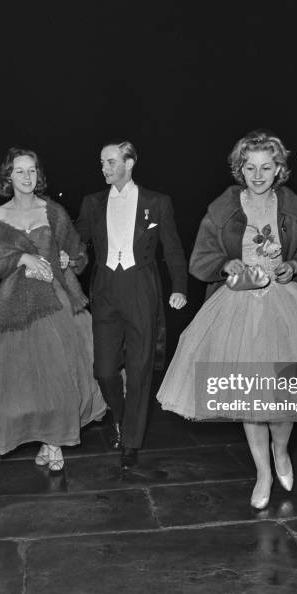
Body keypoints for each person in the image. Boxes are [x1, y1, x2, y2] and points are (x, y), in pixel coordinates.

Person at [156, 130, 297, 509]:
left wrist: (295, 265)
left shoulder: (296, 208)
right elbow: (199, 259)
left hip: (285, 307)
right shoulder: (222, 209)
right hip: (236, 308)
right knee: (249, 395)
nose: (258, 175)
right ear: (240, 168)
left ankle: (282, 452)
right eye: (250, 167)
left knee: (284, 399)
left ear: (279, 169)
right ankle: (263, 472)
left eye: (266, 167)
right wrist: (226, 263)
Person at [0, 147, 106, 474]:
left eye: (32, 171)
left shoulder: (54, 212)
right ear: (8, 177)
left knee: (60, 377)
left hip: (56, 300)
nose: (27, 177)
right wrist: (22, 258)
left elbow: (78, 254)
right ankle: (44, 438)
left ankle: (53, 442)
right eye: (20, 171)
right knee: (23, 383)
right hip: (14, 301)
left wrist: (69, 260)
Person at [76, 140, 188, 468]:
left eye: (110, 162)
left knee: (139, 369)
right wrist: (64, 251)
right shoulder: (92, 203)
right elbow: (76, 237)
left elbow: (172, 249)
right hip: (106, 287)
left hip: (141, 286)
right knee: (104, 369)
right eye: (101, 163)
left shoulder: (158, 202)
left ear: (129, 163)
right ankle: (123, 416)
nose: (104, 168)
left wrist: (179, 287)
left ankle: (132, 441)